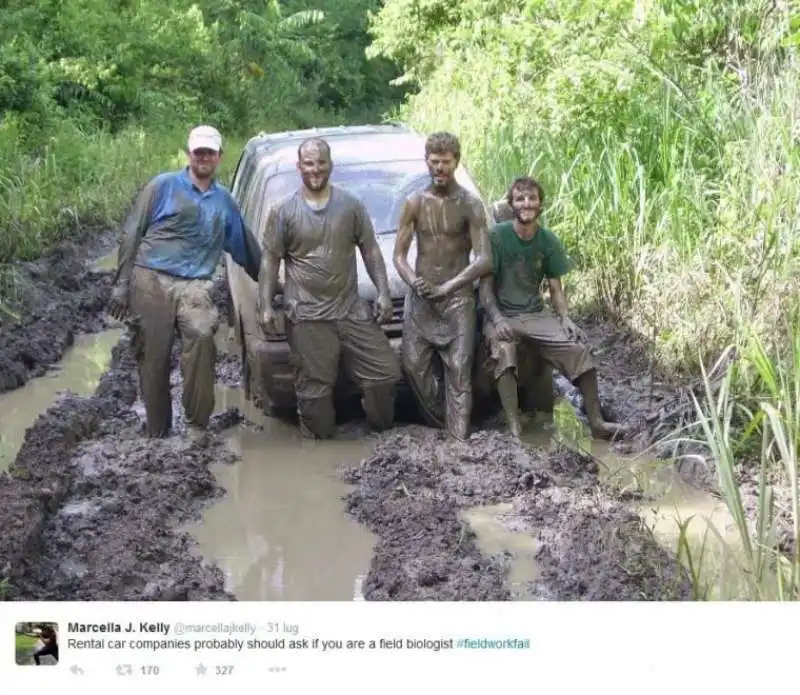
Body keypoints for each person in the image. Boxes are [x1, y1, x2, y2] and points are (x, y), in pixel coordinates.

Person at [106, 125, 262, 438]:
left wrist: (273, 285)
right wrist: (121, 285)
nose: (203, 157)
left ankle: (196, 426)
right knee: (154, 358)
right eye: (198, 151)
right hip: (150, 279)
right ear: (189, 154)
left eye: (210, 152)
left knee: (203, 335)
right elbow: (132, 232)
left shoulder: (224, 203)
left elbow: (247, 249)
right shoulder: (162, 187)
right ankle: (157, 430)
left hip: (196, 285)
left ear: (219, 157)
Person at [257, 137, 400, 439]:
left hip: (350, 308)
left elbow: (371, 251)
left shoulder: (351, 206)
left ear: (330, 165)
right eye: (309, 163)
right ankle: (320, 452)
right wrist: (266, 304)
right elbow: (270, 261)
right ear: (299, 167)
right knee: (314, 395)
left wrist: (384, 292)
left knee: (385, 375)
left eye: (321, 162)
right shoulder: (283, 212)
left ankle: (381, 438)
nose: (315, 169)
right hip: (307, 315)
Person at [478, 176, 626, 439]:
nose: (526, 203)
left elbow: (556, 289)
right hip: (502, 313)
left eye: (532, 198)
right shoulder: (496, 237)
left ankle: (597, 422)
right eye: (520, 198)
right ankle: (514, 423)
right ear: (511, 204)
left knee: (578, 348)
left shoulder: (548, 241)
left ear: (540, 204)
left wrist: (565, 318)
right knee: (503, 350)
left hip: (536, 314)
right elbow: (485, 289)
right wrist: (497, 319)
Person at [393, 132, 492, 441]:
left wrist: (449, 286)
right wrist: (413, 280)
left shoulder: (470, 205)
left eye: (446, 163)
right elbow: (398, 255)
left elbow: (484, 259)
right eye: (434, 162)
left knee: (460, 368)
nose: (439, 169)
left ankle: (458, 439)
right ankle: (442, 424)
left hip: (458, 299)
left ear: (456, 163)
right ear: (427, 162)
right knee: (412, 366)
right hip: (422, 299)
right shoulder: (414, 203)